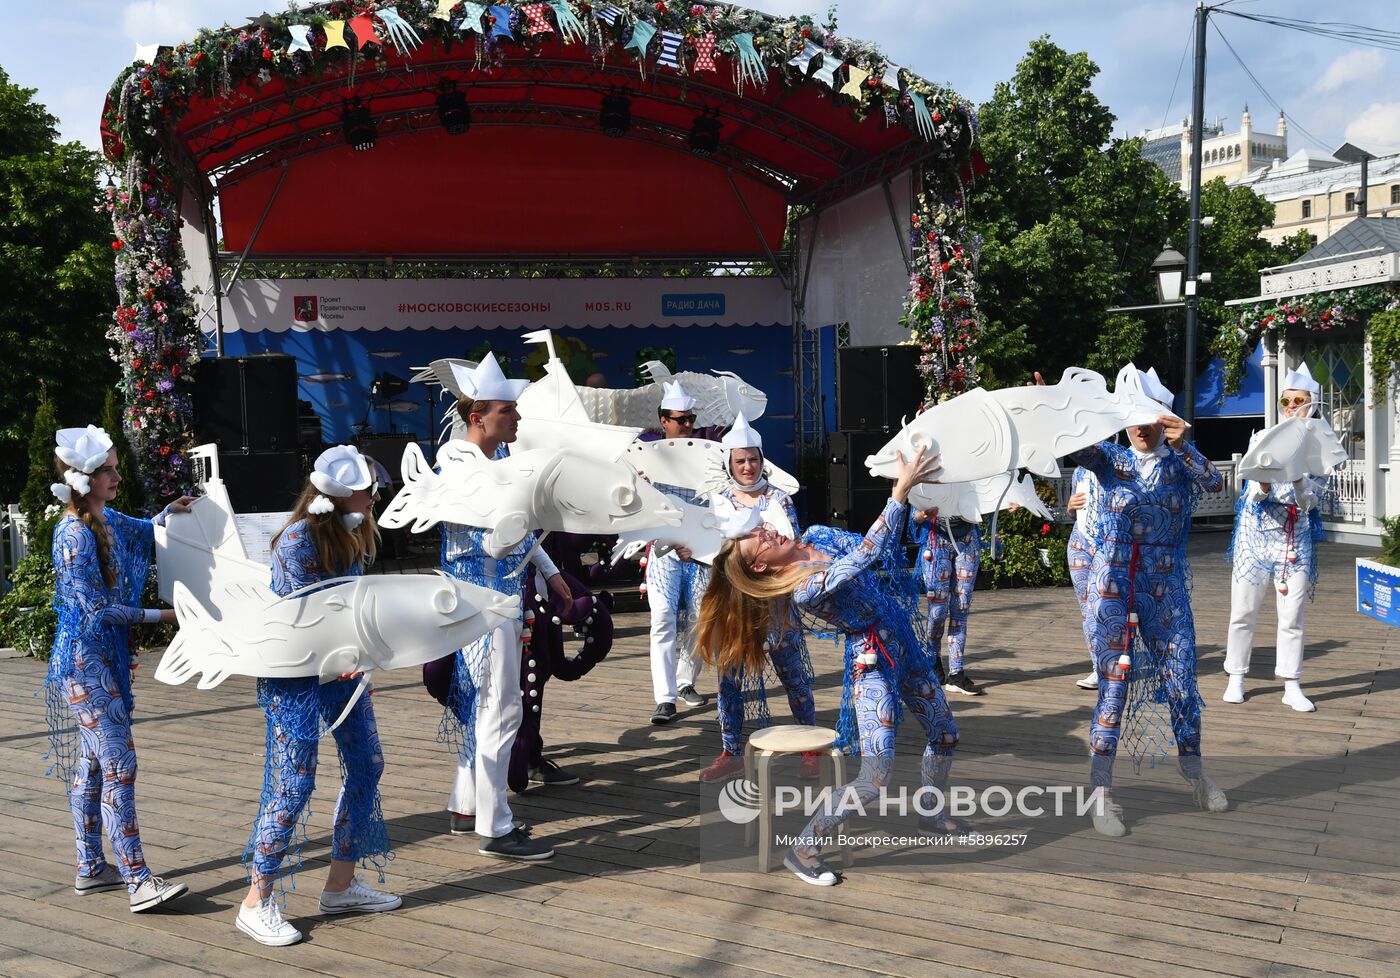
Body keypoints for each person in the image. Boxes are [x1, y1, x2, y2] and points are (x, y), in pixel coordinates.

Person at [698, 448, 960, 886]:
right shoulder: (804, 590)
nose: (768, 530)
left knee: (946, 733)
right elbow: (863, 559)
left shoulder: (818, 532)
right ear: (761, 566)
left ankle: (931, 812)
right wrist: (899, 490)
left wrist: (912, 518)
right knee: (875, 777)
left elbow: (865, 543)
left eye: (763, 526)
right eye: (760, 537)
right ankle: (803, 851)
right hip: (872, 661)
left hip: (903, 643)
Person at [238, 445, 400, 946]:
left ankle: (341, 885)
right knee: (293, 784)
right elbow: (301, 620)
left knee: (367, 765)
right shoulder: (297, 541)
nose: (373, 496)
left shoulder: (349, 534)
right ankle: (255, 900)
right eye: (365, 489)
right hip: (299, 682)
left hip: (345, 676)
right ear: (335, 494)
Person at [1072, 367, 1228, 837]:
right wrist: (1059, 413)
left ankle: (1195, 774)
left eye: (1149, 417)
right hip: (1112, 584)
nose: (1139, 428)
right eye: (1131, 418)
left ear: (1166, 419)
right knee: (1113, 687)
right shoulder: (1110, 460)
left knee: (1182, 682)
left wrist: (1186, 444)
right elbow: (1075, 450)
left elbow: (1215, 484)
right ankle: (1101, 795)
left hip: (1166, 587)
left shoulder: (1181, 461)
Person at [44, 425, 194, 912]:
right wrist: (164, 616)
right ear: (84, 478)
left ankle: (91, 867)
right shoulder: (73, 534)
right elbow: (91, 614)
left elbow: (145, 529)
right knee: (119, 764)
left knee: (92, 764)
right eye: (108, 469)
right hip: (86, 665)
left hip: (105, 662)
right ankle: (137, 880)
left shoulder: (104, 518)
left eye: (114, 467)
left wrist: (173, 513)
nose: (117, 475)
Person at [439, 354, 569, 860]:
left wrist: (551, 570)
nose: (517, 419)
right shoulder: (458, 464)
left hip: (496, 598)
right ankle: (494, 826)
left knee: (489, 705)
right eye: (507, 411)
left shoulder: (490, 462)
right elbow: (491, 542)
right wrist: (533, 518)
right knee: (499, 707)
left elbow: (512, 536)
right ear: (479, 417)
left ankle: (467, 804)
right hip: (482, 601)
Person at [699, 413, 817, 783]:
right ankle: (731, 750)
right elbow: (711, 551)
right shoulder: (718, 502)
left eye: (753, 459)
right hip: (737, 607)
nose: (748, 467)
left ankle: (811, 746)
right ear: (729, 464)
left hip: (778, 603)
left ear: (762, 460)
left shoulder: (779, 498)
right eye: (740, 461)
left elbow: (793, 545)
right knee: (729, 678)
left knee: (794, 675)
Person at [1223, 364, 1325, 712]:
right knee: (1243, 610)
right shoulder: (1261, 437)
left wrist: (1296, 481)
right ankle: (1236, 675)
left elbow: (1312, 501)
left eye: (1299, 400)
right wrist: (1264, 484)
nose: (1291, 406)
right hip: (1255, 538)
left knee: (1292, 614)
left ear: (1313, 403)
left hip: (1294, 541)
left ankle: (1291, 684)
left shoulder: (1321, 445)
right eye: (1286, 401)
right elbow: (1251, 492)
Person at [639, 380, 718, 723]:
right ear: (663, 421)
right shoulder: (645, 456)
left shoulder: (706, 454)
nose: (687, 425)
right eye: (680, 419)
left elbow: (716, 501)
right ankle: (665, 696)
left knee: (701, 619)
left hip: (700, 548)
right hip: (662, 549)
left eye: (690, 419)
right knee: (662, 619)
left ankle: (686, 681)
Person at [914, 507, 984, 696]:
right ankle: (932, 661)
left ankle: (956, 674)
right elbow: (914, 516)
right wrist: (922, 515)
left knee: (961, 607)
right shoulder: (926, 479)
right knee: (937, 611)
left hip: (968, 540)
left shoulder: (972, 477)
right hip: (936, 539)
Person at [1066, 466, 1103, 690]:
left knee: (1106, 608)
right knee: (1087, 609)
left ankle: (1116, 663)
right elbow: (1074, 512)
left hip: (1108, 545)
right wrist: (1070, 507)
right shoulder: (1079, 471)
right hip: (1079, 544)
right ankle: (1098, 668)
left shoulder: (1120, 463)